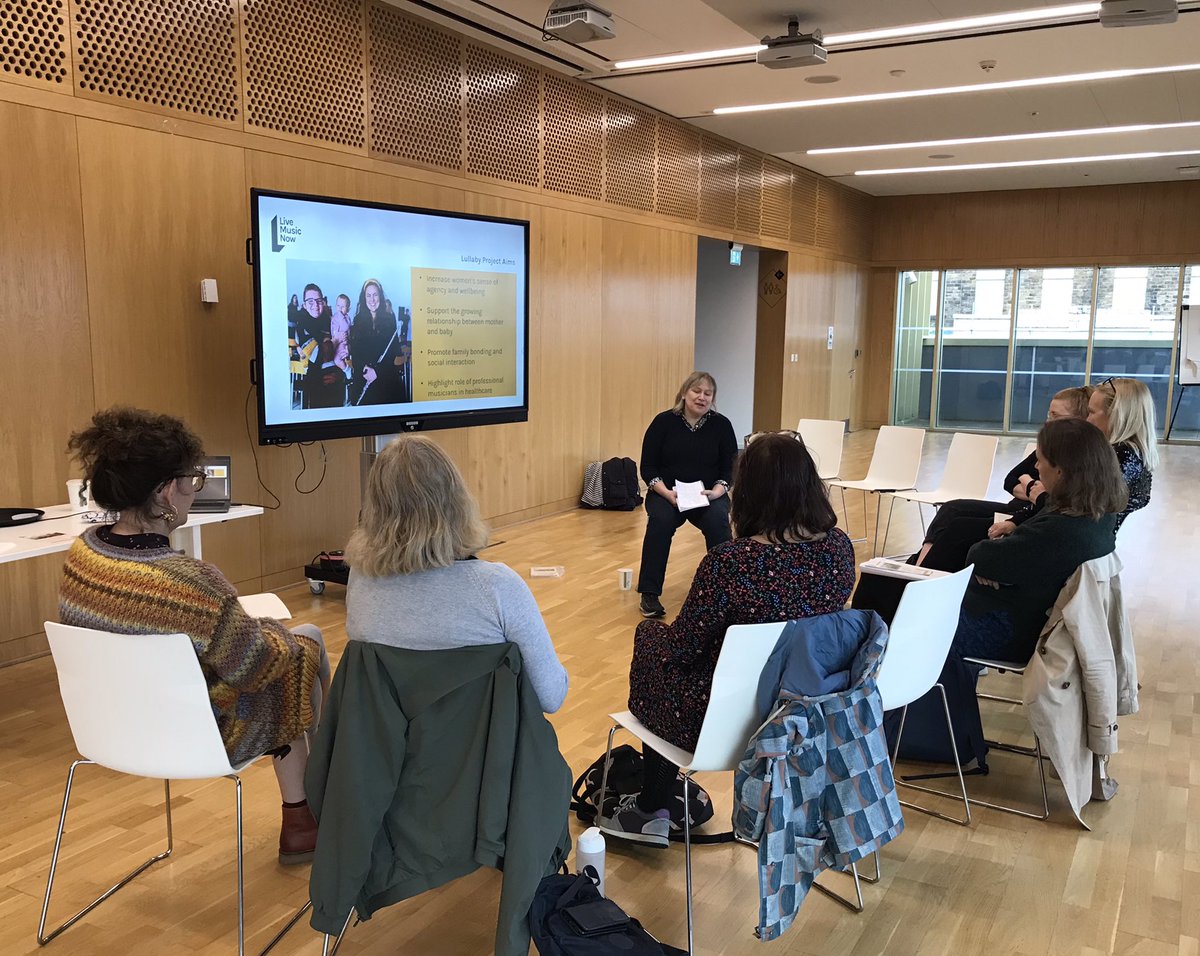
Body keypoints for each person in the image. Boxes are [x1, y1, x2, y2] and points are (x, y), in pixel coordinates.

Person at [57, 407, 331, 864]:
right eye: (192, 480)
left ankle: (309, 813)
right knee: (302, 643)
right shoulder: (190, 580)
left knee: (279, 647)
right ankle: (308, 812)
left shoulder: (80, 556)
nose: (193, 490)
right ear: (166, 491)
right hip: (195, 733)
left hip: (110, 726)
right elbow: (256, 665)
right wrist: (272, 632)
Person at [604, 433, 856, 846]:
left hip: (729, 721)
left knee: (652, 642)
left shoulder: (732, 564)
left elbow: (681, 650)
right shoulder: (838, 549)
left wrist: (650, 635)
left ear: (749, 492)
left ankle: (652, 806)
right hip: (805, 710)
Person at [343, 434, 568, 714]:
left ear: (374, 508)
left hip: (389, 753)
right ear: (456, 499)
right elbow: (551, 696)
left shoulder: (362, 580)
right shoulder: (497, 587)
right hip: (485, 753)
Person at [914, 385, 1091, 570]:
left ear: (1078, 419)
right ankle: (919, 567)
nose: (1048, 422)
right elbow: (1011, 479)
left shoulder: (1071, 457)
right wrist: (1033, 488)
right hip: (1017, 508)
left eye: (1056, 416)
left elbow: (1047, 500)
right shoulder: (1049, 444)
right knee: (951, 509)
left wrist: (1029, 487)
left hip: (1023, 515)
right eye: (1049, 415)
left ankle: (923, 572)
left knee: (959, 528)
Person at [635, 371, 738, 619]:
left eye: (708, 393)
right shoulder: (663, 422)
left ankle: (725, 592)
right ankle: (649, 594)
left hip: (708, 494)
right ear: (684, 393)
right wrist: (665, 492)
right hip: (668, 492)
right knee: (660, 523)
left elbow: (730, 468)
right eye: (696, 391)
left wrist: (717, 491)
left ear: (712, 399)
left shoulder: (721, 425)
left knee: (718, 523)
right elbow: (648, 467)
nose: (701, 397)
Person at [348, 278, 406, 405]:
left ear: (380, 296)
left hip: (385, 379)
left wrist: (377, 372)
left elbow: (393, 352)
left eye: (375, 295)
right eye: (368, 295)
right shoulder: (358, 320)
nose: (372, 300)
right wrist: (365, 368)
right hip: (364, 378)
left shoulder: (389, 320)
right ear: (364, 298)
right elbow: (356, 354)